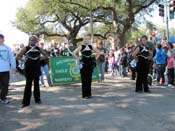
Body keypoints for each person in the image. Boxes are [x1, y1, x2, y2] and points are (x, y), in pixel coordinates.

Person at [16, 35, 48, 108]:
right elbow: (17, 56)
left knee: (36, 85)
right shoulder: (26, 48)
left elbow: (46, 55)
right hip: (28, 69)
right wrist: (23, 60)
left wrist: (39, 59)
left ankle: (37, 99)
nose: (33, 41)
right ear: (29, 40)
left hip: (36, 68)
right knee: (28, 85)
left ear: (36, 41)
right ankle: (25, 102)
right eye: (31, 40)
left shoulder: (38, 48)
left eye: (34, 40)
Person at [72, 35, 100, 99]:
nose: (86, 40)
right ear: (83, 40)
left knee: (89, 79)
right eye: (85, 39)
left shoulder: (91, 46)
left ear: (89, 40)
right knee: (84, 79)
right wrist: (78, 59)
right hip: (83, 64)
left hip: (90, 64)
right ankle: (84, 95)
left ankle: (89, 94)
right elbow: (73, 53)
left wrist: (94, 60)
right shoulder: (81, 46)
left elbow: (99, 53)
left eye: (88, 39)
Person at [0, 34, 16, 104]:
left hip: (6, 70)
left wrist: (13, 67)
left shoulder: (7, 48)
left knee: (5, 85)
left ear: (3, 39)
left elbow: (11, 58)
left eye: (1, 38)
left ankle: (3, 98)